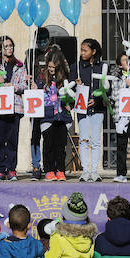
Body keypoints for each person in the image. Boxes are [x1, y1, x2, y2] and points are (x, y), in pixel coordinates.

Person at [0, 36, 27, 181]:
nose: (9, 49)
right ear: (0, 49)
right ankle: (0, 169)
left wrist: (13, 86)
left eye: (11, 46)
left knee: (12, 139)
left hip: (14, 107)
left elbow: (24, 86)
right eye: (6, 46)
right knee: (0, 140)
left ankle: (12, 169)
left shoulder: (19, 65)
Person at [70, 39, 107, 182]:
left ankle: (94, 171)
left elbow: (107, 87)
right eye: (81, 50)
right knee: (84, 140)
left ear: (94, 51)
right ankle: (85, 171)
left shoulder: (103, 67)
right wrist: (76, 85)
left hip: (97, 108)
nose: (82, 53)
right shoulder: (76, 67)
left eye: (85, 50)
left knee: (96, 141)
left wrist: (97, 100)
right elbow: (70, 88)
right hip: (82, 109)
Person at [39, 48, 73, 181]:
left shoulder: (65, 78)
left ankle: (60, 170)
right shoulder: (42, 77)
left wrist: (70, 103)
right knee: (48, 144)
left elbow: (72, 96)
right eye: (49, 67)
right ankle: (49, 170)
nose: (51, 69)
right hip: (47, 115)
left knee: (60, 145)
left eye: (53, 67)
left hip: (62, 115)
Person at [110, 52, 130, 183]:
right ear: (119, 65)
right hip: (121, 117)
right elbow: (114, 96)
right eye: (124, 60)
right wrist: (125, 85)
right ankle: (121, 173)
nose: (127, 62)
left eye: (129, 60)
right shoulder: (116, 79)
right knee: (121, 146)